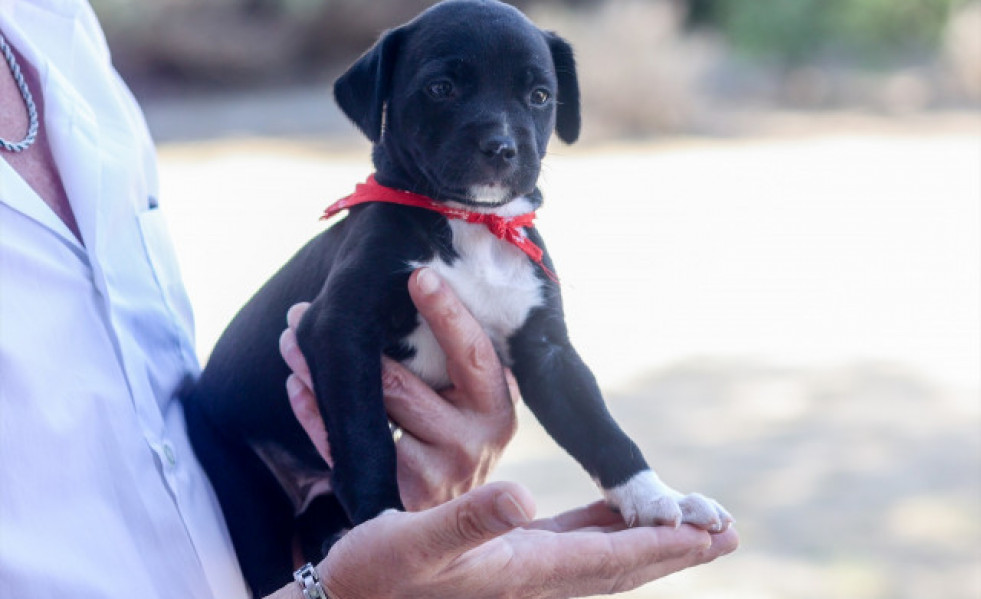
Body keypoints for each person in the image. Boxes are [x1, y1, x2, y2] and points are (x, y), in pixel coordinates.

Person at [0, 1, 737, 598]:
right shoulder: (385, 235)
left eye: (534, 97)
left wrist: (635, 485)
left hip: (297, 506)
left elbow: (551, 364)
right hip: (240, 446)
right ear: (378, 103)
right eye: (446, 89)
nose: (501, 131)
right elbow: (334, 337)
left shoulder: (58, 34)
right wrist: (376, 521)